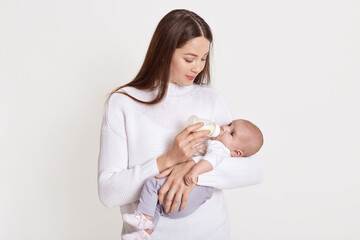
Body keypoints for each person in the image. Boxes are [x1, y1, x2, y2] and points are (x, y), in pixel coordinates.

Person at [97, 9, 263, 240]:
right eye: (189, 59)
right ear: (164, 52)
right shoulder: (124, 103)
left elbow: (253, 170)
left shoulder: (211, 99)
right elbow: (108, 192)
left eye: (204, 58)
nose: (198, 68)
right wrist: (169, 160)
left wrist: (193, 170)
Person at [121, 119, 263, 239]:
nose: (224, 128)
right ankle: (144, 233)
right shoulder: (221, 146)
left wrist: (193, 171)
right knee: (156, 206)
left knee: (152, 184)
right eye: (230, 124)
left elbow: (210, 161)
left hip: (194, 192)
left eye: (231, 133)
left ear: (237, 152)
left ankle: (142, 217)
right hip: (190, 202)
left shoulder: (220, 148)